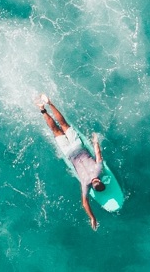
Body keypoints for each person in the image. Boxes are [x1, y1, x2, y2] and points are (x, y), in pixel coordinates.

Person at [37, 95, 109, 230]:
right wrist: (92, 217)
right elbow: (84, 202)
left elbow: (98, 154)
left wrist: (95, 141)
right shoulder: (85, 183)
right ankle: (42, 109)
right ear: (94, 186)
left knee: (63, 125)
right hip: (69, 153)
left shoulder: (98, 170)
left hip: (77, 146)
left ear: (99, 181)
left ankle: (49, 103)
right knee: (56, 131)